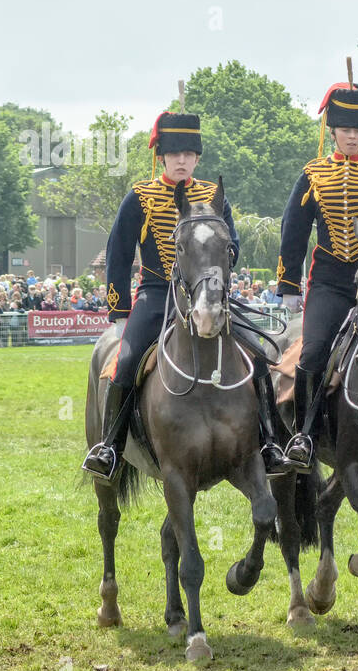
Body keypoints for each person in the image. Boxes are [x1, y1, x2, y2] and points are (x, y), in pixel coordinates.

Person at [83, 110, 265, 481]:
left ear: (197, 158)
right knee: (127, 363)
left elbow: (233, 246)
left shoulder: (214, 197)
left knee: (259, 358)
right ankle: (110, 446)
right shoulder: (140, 197)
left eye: (188, 154)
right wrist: (119, 310)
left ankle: (271, 441)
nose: (181, 160)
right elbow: (118, 252)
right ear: (161, 156)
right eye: (174, 154)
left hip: (206, 296)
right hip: (155, 294)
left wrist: (218, 275)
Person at [276, 79, 358, 470]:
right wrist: (288, 285)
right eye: (347, 130)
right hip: (331, 282)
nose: (353, 137)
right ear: (332, 131)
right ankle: (304, 432)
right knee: (315, 350)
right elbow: (294, 231)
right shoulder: (313, 174)